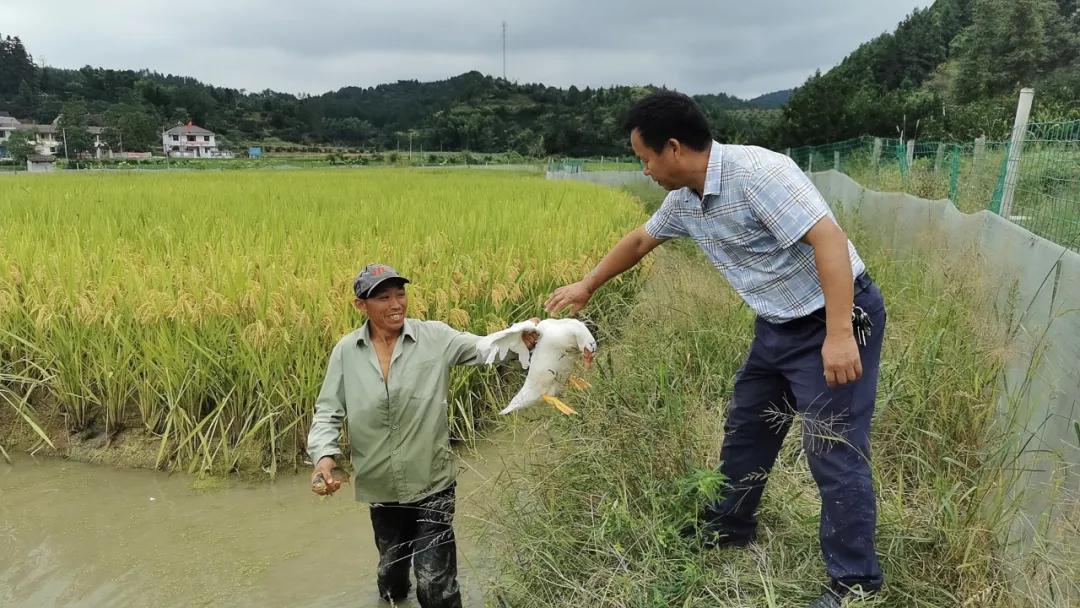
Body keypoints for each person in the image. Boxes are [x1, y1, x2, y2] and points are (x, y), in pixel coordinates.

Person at [544, 91, 886, 608]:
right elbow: (641, 239)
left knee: (832, 449)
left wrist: (838, 334)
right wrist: (587, 285)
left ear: (674, 148)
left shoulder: (758, 174)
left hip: (832, 315)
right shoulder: (685, 200)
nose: (645, 171)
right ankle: (730, 525)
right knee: (748, 424)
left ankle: (855, 582)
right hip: (777, 323)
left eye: (645, 159)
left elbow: (830, 241)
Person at [307, 263, 538, 608]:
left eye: (400, 294)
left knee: (435, 583)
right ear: (361, 305)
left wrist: (520, 336)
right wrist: (324, 458)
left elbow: (484, 349)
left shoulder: (435, 337)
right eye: (383, 297)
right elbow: (328, 411)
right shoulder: (345, 352)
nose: (396, 303)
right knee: (391, 577)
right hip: (381, 485)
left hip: (432, 480)